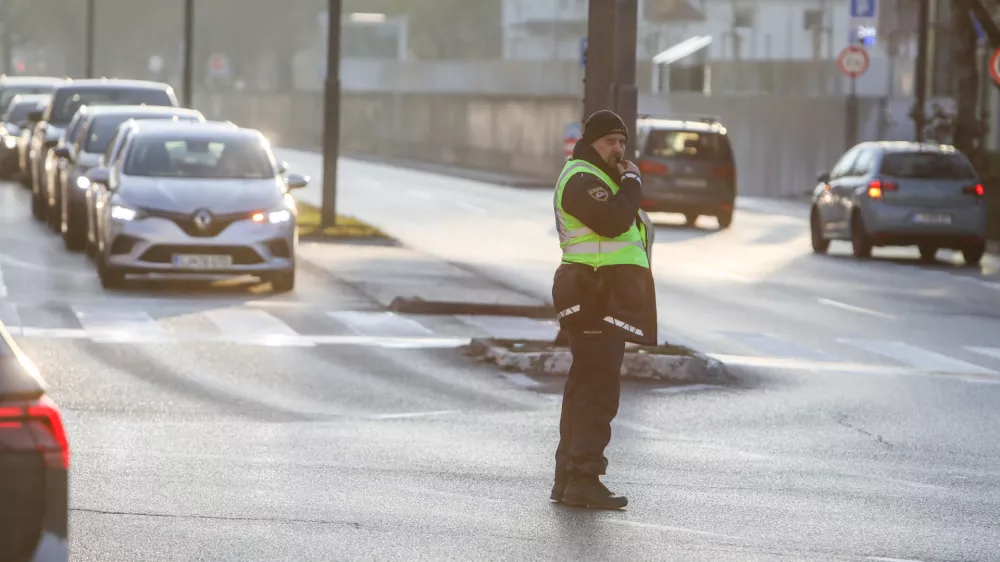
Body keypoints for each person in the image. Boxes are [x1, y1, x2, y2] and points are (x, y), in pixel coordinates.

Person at [549, 109, 657, 510]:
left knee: (584, 388)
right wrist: (632, 181)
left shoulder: (600, 179)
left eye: (623, 142)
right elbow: (612, 222)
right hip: (594, 294)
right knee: (597, 391)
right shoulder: (582, 178)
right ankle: (584, 479)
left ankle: (568, 477)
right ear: (591, 143)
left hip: (601, 294)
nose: (619, 149)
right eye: (610, 141)